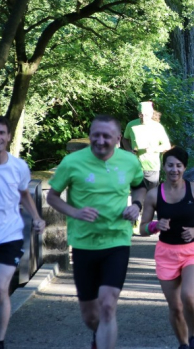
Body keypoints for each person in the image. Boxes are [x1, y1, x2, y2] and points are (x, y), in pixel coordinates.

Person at [47, 115, 146, 349]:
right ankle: (99, 335)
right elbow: (52, 196)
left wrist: (136, 206)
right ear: (90, 135)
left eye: (106, 136)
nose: (100, 141)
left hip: (117, 240)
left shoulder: (129, 162)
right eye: (96, 135)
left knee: (108, 305)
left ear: (118, 138)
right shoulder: (72, 162)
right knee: (91, 316)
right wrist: (75, 212)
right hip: (84, 243)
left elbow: (140, 186)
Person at [139, 147, 194, 349]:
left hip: (193, 251)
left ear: (185, 167)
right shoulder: (154, 195)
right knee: (175, 307)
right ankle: (183, 344)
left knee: (188, 295)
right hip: (166, 253)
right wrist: (155, 225)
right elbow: (142, 229)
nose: (174, 169)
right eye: (170, 165)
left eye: (178, 166)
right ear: (164, 167)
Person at [0, 116, 46, 349]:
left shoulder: (18, 166)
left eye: (1, 133)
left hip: (10, 236)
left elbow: (24, 194)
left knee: (1, 288)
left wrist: (38, 218)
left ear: (9, 136)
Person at [122, 101, 171, 190]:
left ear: (152, 113)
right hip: (135, 167)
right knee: (137, 197)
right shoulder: (131, 125)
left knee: (151, 197)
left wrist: (153, 149)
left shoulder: (157, 127)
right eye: (141, 114)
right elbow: (124, 139)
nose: (144, 117)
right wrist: (129, 150)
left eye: (146, 115)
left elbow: (167, 145)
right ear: (138, 114)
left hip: (152, 167)